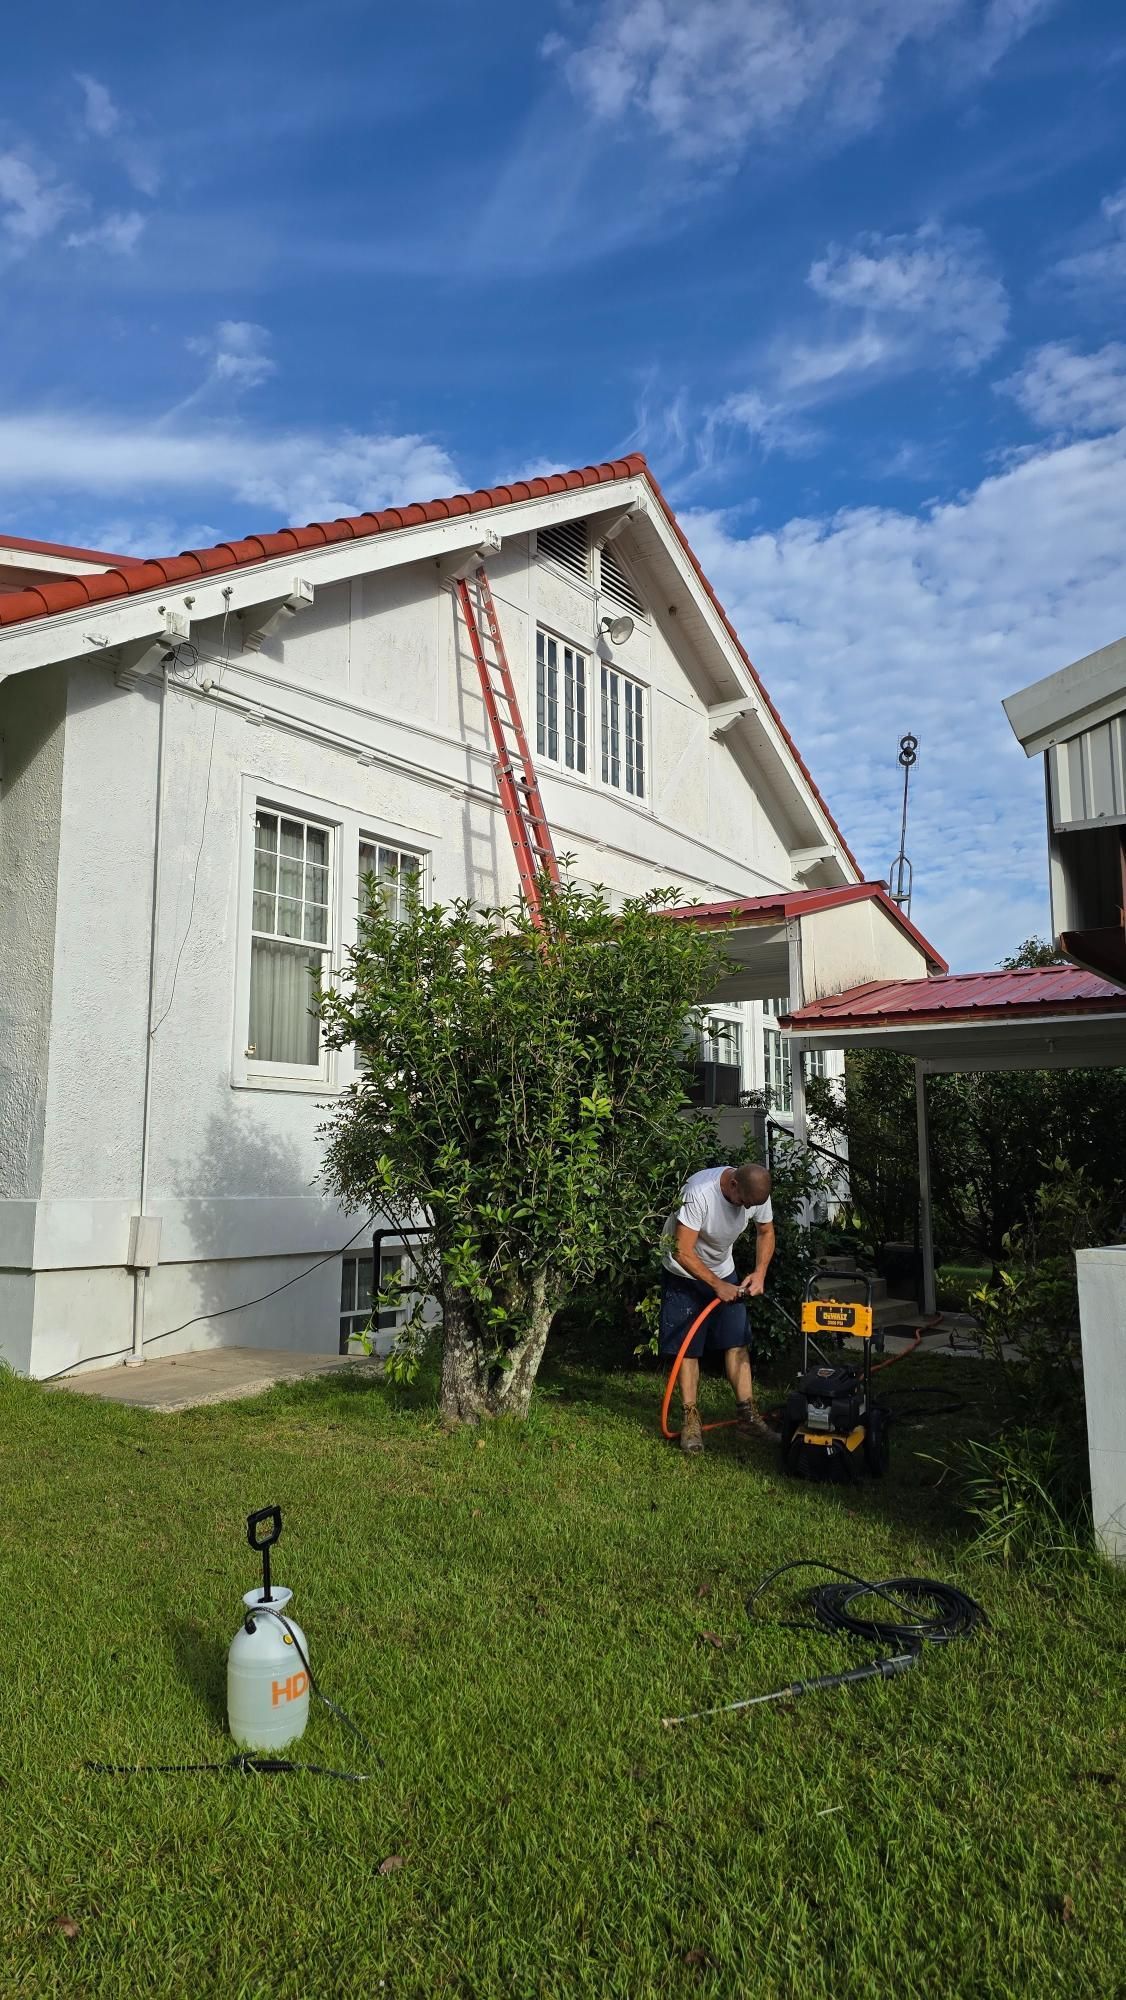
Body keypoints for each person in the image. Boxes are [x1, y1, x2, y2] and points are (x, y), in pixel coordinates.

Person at [660, 1162, 775, 1453]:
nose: (746, 1208)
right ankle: (690, 1422)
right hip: (683, 1272)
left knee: (737, 1341)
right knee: (688, 1349)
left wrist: (760, 1272)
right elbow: (682, 1250)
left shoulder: (756, 1190)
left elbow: (765, 1231)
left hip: (724, 1271)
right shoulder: (698, 1192)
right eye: (744, 1202)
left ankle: (748, 1420)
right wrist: (716, 1284)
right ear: (733, 1184)